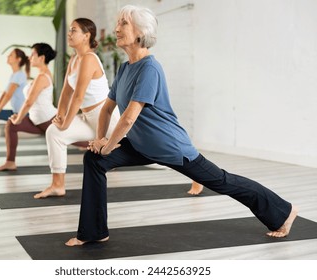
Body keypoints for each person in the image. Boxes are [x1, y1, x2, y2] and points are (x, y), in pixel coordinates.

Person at [65, 5, 298, 246]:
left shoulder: (150, 69)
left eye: (123, 23)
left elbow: (128, 118)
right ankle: (94, 232)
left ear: (140, 32)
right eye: (118, 23)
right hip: (141, 145)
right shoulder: (126, 68)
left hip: (171, 147)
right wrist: (102, 140)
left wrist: (107, 145)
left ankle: (284, 211)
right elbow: (106, 109)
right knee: (94, 160)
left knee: (222, 181)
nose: (116, 28)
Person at [33, 18, 119, 199]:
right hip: (89, 119)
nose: (69, 34)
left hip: (107, 118)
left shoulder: (89, 58)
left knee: (143, 152)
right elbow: (66, 92)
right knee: (54, 132)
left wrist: (67, 122)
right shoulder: (74, 59)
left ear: (86, 36)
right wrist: (60, 117)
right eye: (69, 30)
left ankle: (191, 169)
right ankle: (57, 185)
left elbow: (78, 96)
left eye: (73, 30)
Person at [0, 43, 57, 171]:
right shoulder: (41, 75)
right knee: (11, 125)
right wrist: (17, 118)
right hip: (37, 120)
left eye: (33, 54)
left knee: (81, 142)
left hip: (47, 120)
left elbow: (29, 102)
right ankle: (10, 162)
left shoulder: (43, 77)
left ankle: (106, 149)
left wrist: (19, 118)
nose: (29, 57)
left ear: (42, 58)